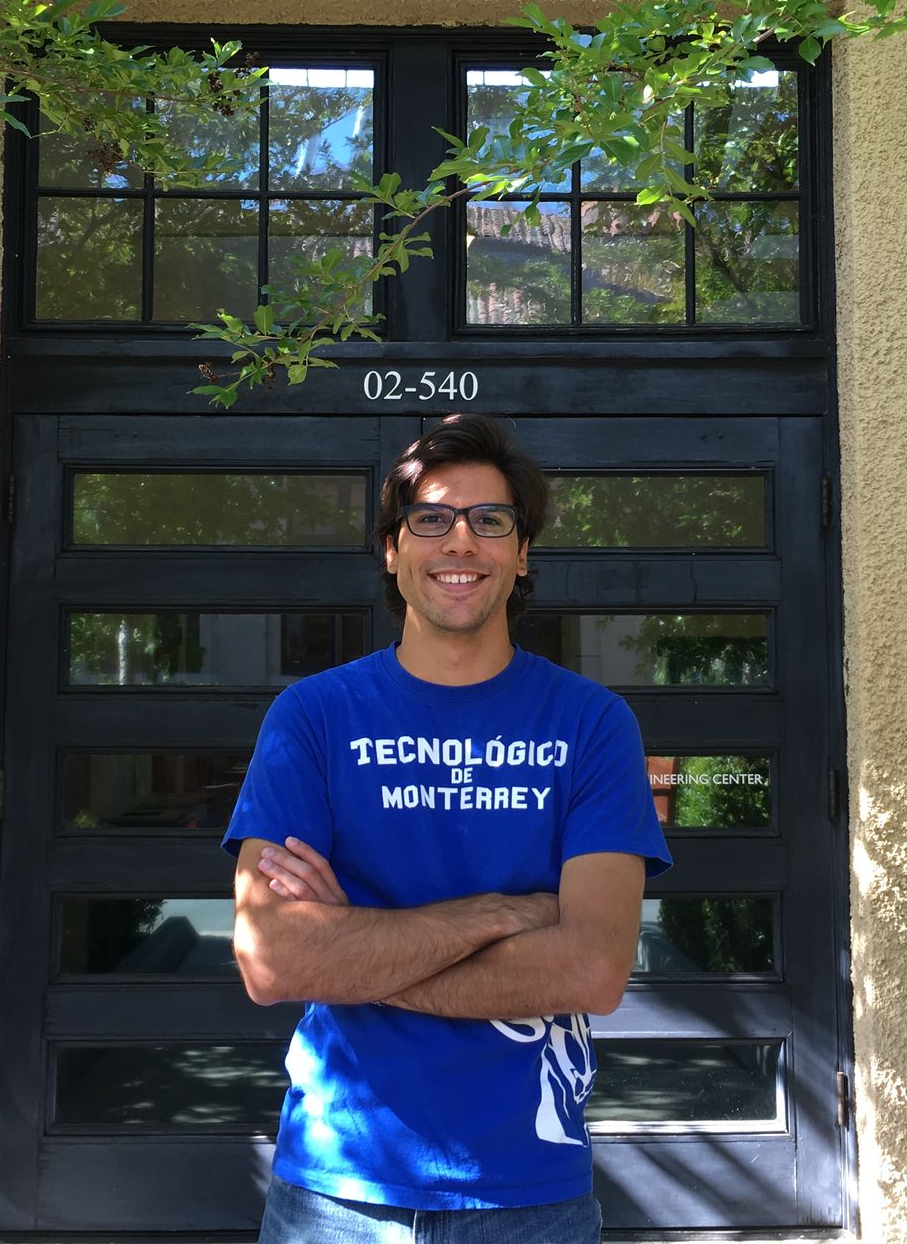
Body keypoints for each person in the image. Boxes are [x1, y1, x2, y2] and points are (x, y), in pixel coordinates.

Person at [225, 412, 671, 1244]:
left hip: (531, 1187)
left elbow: (593, 969)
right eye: (430, 518)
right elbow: (272, 958)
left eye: (489, 520)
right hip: (337, 1187)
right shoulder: (313, 720)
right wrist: (502, 913)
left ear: (522, 552)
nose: (459, 542)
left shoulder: (591, 725)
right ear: (393, 551)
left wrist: (352, 950)